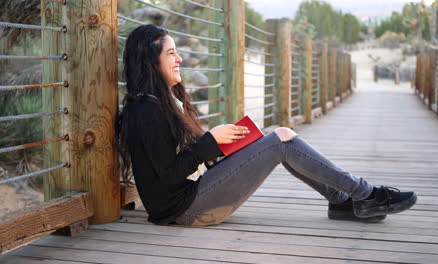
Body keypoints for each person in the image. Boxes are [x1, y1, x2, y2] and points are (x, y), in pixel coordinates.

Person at [118, 25, 417, 226]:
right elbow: (167, 176)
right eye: (171, 53)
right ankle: (364, 195)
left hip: (186, 199)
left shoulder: (161, 101)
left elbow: (179, 162)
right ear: (151, 61)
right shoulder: (146, 110)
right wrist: (210, 142)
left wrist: (223, 143)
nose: (180, 57)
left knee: (278, 138)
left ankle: (343, 200)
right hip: (181, 210)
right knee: (281, 139)